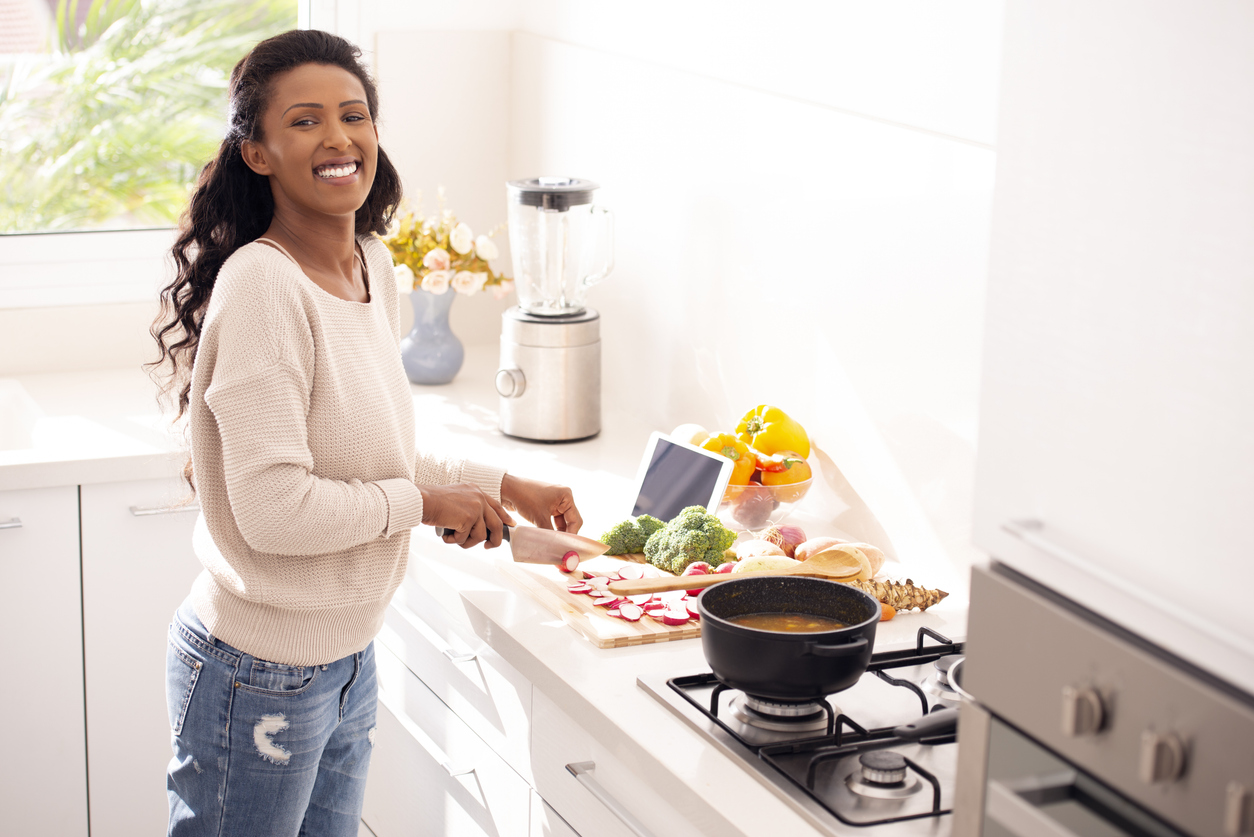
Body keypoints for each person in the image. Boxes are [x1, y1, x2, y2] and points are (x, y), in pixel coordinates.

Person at [148, 29, 582, 836]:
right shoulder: (263, 289)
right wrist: (421, 504)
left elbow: (365, 458)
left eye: (355, 115)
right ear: (258, 152)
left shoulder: (370, 268)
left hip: (344, 659)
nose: (339, 137)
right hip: (256, 674)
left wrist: (498, 486)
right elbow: (276, 508)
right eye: (306, 121)